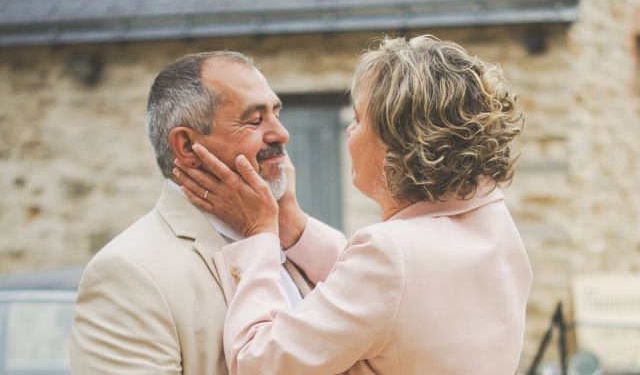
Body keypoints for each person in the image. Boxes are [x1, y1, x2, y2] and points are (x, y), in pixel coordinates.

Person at [175, 35, 533, 374]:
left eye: (359, 119)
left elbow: (259, 362)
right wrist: (293, 224)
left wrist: (258, 236)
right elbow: (397, 297)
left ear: (399, 143)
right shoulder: (496, 225)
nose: (349, 131)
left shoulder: (390, 256)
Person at [70, 51, 314, 374]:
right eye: (255, 120)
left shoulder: (288, 243)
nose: (281, 133)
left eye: (276, 113)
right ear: (186, 147)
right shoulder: (128, 274)